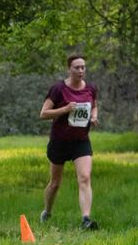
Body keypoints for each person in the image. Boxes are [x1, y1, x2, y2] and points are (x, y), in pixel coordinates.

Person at [39, 54, 100, 230]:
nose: (81, 70)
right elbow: (43, 113)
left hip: (81, 141)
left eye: (83, 67)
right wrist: (65, 109)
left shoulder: (90, 88)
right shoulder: (58, 89)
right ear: (69, 69)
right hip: (60, 141)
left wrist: (94, 117)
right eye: (77, 67)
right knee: (55, 183)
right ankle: (47, 212)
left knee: (85, 177)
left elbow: (94, 105)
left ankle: (86, 219)